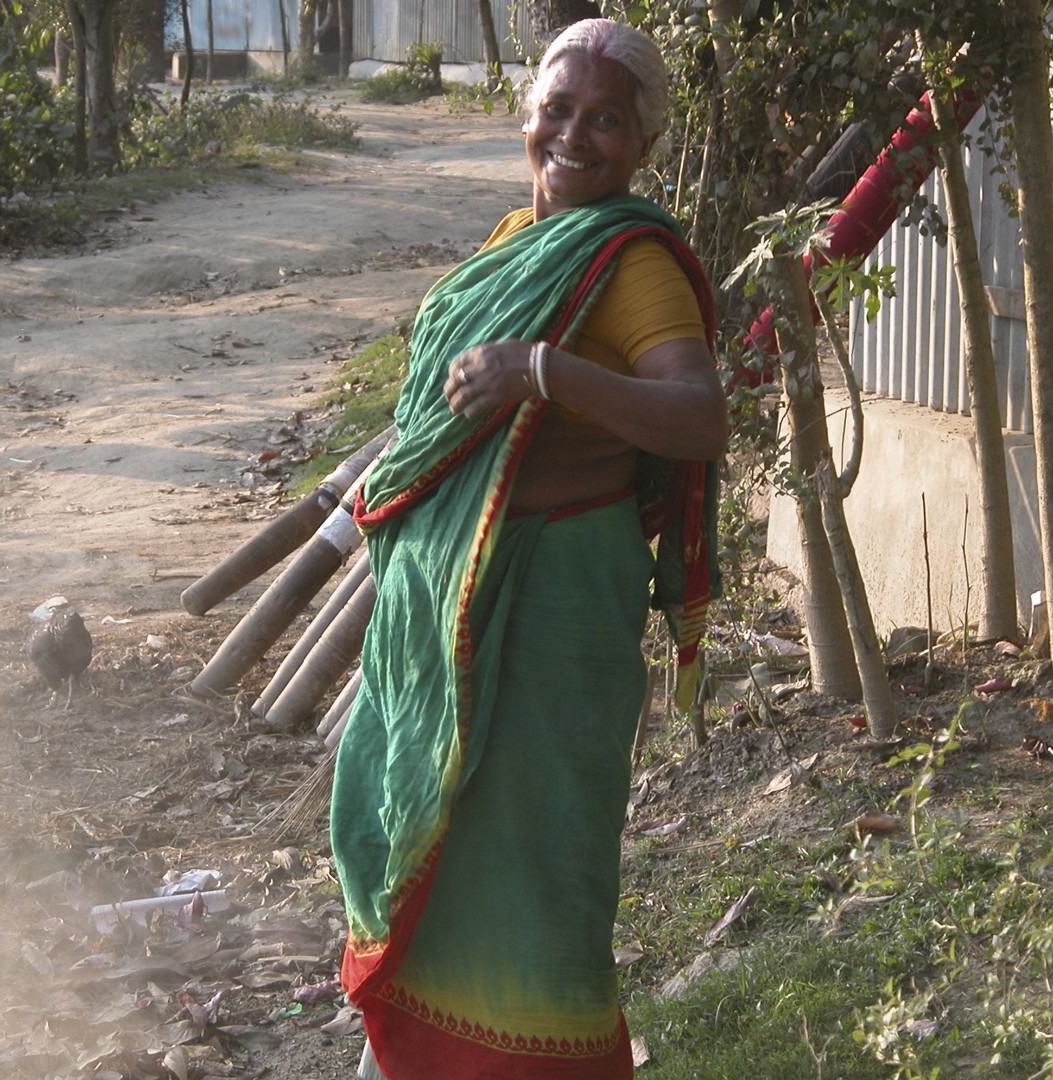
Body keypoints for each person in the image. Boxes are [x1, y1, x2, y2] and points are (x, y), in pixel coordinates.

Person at [329, 18, 727, 1080]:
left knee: (535, 873)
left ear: (641, 144)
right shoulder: (519, 235)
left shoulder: (631, 262)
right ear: (523, 113)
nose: (575, 135)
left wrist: (545, 372)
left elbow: (698, 417)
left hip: (552, 609)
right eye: (557, 109)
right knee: (442, 849)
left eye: (607, 119)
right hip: (458, 604)